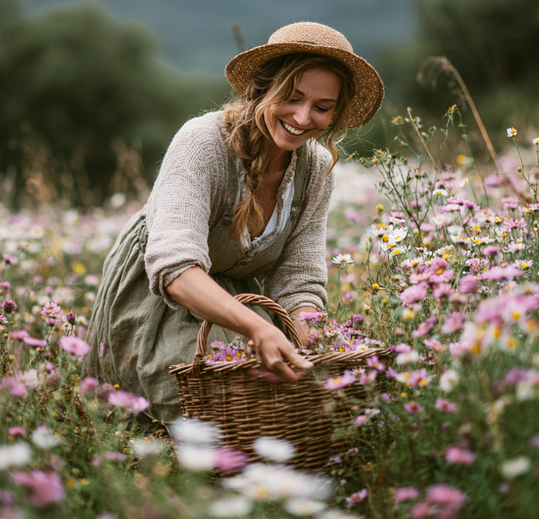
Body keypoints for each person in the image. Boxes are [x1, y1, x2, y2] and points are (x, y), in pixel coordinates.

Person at [82, 22, 384, 423]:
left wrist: (316, 343)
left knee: (293, 399)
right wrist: (259, 330)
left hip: (237, 300)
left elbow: (298, 280)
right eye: (291, 98)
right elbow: (175, 268)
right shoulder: (203, 142)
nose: (302, 117)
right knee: (212, 409)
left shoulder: (314, 169)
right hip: (160, 296)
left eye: (322, 107)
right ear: (261, 89)